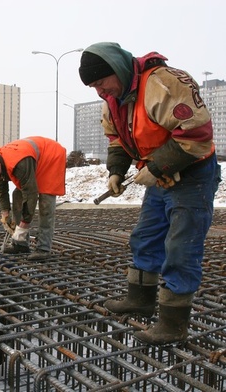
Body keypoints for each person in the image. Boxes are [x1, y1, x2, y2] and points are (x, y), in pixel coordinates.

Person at [78, 42, 221, 345]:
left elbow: (195, 135)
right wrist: (116, 170)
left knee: (181, 248)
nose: (100, 91)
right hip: (161, 176)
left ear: (116, 69)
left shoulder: (164, 83)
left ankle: (173, 323)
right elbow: (116, 139)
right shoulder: (114, 99)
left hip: (192, 175)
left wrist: (156, 167)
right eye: (94, 87)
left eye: (101, 82)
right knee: (146, 238)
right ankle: (140, 299)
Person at [0, 137, 66, 260]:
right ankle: (20, 244)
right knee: (17, 196)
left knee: (45, 203)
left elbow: (31, 193)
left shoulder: (19, 162)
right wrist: (5, 214)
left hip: (50, 157)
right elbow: (1, 191)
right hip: (32, 161)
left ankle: (43, 248)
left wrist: (24, 224)